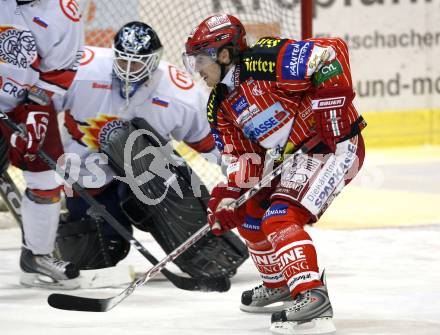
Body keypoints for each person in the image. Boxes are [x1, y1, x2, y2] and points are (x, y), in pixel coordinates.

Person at [183, 14, 366, 335]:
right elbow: (244, 158)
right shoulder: (220, 105)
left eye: (201, 58)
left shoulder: (266, 60)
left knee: (280, 217)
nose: (197, 68)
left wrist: (330, 108)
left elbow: (332, 52)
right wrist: (229, 196)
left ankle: (312, 296)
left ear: (225, 55)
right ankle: (280, 283)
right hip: (295, 157)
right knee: (250, 212)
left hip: (336, 146)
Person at [54, 21, 248, 279]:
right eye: (123, 61)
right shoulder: (81, 70)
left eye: (137, 63)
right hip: (88, 179)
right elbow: (38, 105)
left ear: (154, 60)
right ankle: (63, 228)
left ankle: (196, 242)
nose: (128, 69)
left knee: (131, 144)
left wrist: (246, 178)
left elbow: (216, 147)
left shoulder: (180, 95)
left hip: (150, 179)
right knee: (100, 254)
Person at [0, 0, 83, 289]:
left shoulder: (64, 11)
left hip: (27, 100)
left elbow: (61, 70)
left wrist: (37, 107)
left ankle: (37, 256)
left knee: (47, 176)